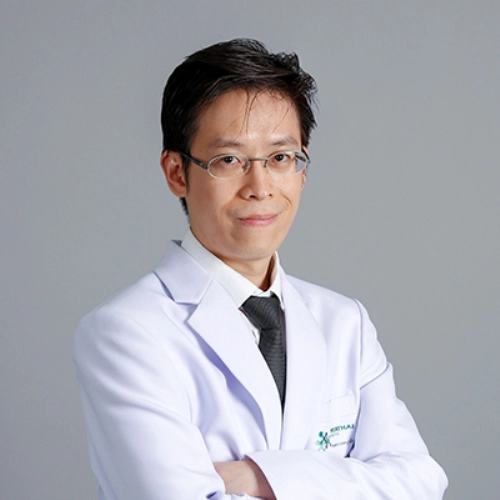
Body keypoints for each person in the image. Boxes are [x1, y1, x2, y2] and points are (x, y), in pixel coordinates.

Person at [73, 39, 448, 499]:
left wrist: (256, 477)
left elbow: (420, 482)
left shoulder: (344, 322)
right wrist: (341, 478)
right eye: (229, 159)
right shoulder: (126, 333)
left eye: (280, 158)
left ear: (303, 169)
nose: (260, 186)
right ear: (176, 172)